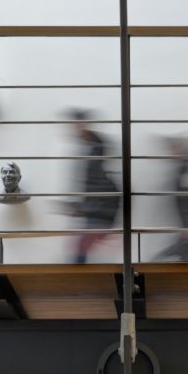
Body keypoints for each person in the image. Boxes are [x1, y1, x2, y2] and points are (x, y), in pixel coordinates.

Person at [64, 108, 120, 263]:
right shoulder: (90, 149)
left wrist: (80, 207)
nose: (73, 129)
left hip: (100, 212)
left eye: (76, 125)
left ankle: (77, 280)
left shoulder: (95, 152)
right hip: (96, 211)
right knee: (80, 248)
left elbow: (97, 185)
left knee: (80, 248)